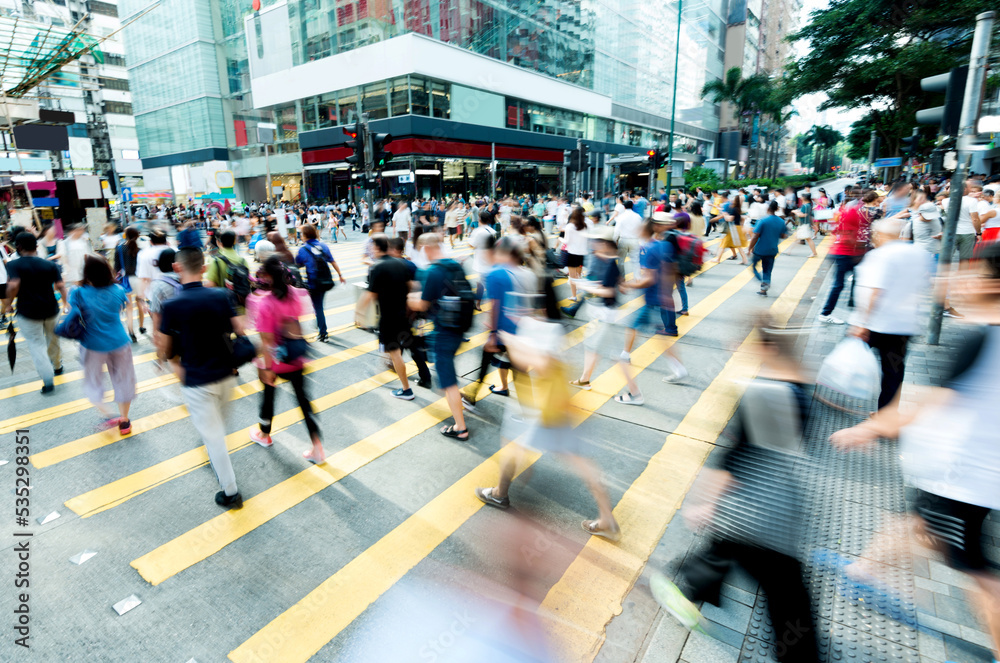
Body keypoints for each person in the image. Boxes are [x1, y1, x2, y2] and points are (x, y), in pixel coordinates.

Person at [830, 242, 1000, 663]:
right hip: (971, 475)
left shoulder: (981, 339)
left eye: (971, 273)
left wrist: (871, 427)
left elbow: (932, 405)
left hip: (964, 478)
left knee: (976, 572)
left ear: (992, 284)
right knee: (917, 522)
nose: (959, 280)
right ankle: (864, 570)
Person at [651, 315, 819, 663]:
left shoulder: (765, 391)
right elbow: (747, 455)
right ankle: (689, 588)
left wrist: (704, 502)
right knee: (779, 587)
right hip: (767, 512)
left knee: (776, 584)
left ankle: (688, 587)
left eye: (744, 343)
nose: (735, 348)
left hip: (757, 513)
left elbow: (736, 458)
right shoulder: (793, 383)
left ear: (765, 347)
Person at [157, 247, 248, 508]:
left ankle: (230, 492)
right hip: (226, 375)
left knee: (214, 437)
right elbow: (239, 329)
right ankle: (214, 453)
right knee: (217, 429)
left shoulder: (171, 306)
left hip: (197, 380)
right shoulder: (221, 295)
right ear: (204, 267)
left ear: (177, 267)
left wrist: (168, 361)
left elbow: (166, 349)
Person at [848, 217, 931, 410]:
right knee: (894, 372)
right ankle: (886, 413)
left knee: (851, 360)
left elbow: (875, 291)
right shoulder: (919, 253)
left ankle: (844, 392)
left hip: (875, 324)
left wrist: (862, 323)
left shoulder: (880, 255)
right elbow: (926, 283)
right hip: (904, 326)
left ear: (879, 235)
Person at [248, 256, 326, 463]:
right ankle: (317, 447)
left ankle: (264, 434)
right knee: (303, 401)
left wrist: (266, 368)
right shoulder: (295, 294)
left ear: (268, 277)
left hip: (275, 362)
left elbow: (267, 341)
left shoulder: (265, 303)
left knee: (268, 398)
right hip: (296, 357)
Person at [408, 233, 471, 440]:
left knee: (448, 382)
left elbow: (422, 304)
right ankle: (457, 400)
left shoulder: (433, 271)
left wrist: (408, 298)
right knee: (446, 378)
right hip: (459, 328)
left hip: (444, 333)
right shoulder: (454, 265)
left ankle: (460, 428)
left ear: (426, 248)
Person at [71, 255, 136, 435]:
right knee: (124, 380)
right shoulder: (119, 290)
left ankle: (108, 414)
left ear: (86, 272)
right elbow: (124, 307)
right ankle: (124, 421)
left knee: (93, 382)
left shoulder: (78, 292)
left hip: (92, 344)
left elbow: (73, 315)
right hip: (119, 342)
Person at [356, 234, 424, 400]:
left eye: (372, 246)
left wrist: (359, 313)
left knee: (395, 354)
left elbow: (370, 295)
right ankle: (418, 379)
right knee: (402, 350)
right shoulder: (400, 263)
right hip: (403, 315)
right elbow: (412, 286)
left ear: (377, 247)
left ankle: (406, 389)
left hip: (388, 318)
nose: (370, 249)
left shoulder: (377, 267)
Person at [4, 232, 67, 393]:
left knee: (36, 344)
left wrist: (8, 304)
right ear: (36, 246)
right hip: (51, 309)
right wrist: (66, 303)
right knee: (53, 339)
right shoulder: (49, 265)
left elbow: (13, 285)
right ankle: (57, 366)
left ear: (18, 247)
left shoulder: (13, 265)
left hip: (28, 312)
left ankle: (48, 380)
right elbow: (61, 285)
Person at [817, 189, 868, 322]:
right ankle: (825, 313)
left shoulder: (843, 212)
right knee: (840, 284)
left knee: (846, 283)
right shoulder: (853, 213)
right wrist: (859, 251)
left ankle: (828, 313)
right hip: (845, 254)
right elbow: (849, 236)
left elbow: (836, 230)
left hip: (840, 252)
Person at [296, 224, 345, 342]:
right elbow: (332, 261)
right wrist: (340, 275)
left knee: (318, 307)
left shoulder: (303, 249)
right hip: (325, 281)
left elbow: (298, 264)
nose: (300, 236)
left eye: (302, 234)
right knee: (319, 306)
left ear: (306, 235)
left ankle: (323, 333)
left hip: (314, 283)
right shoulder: (323, 246)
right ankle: (319, 323)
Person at [144, 248, 182, 373]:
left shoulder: (158, 284)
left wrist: (155, 333)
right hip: (188, 325)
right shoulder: (184, 278)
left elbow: (156, 313)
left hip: (170, 329)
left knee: (174, 361)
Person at [204, 229, 250, 315]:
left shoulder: (215, 261)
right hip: (240, 308)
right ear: (234, 242)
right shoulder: (243, 261)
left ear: (219, 242)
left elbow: (210, 285)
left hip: (223, 308)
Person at [748, 201, 786, 296]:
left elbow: (755, 236)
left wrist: (750, 248)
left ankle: (764, 282)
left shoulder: (763, 220)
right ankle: (763, 289)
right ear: (777, 209)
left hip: (760, 249)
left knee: (753, 266)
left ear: (768, 209)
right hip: (772, 250)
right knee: (767, 269)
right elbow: (783, 235)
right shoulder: (781, 221)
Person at [114, 226, 142, 343]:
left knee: (129, 308)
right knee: (140, 303)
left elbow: (116, 268)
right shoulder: (140, 249)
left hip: (126, 281)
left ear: (125, 235)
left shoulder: (119, 248)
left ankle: (131, 332)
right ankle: (141, 326)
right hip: (139, 279)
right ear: (137, 236)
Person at [563, 207, 590, 302]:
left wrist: (560, 239)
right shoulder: (585, 226)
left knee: (572, 276)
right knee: (578, 275)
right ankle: (579, 290)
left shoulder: (570, 226)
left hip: (572, 253)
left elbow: (566, 241)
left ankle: (574, 296)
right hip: (582, 253)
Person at [612, 199, 643, 279]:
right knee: (635, 261)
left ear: (624, 207)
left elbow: (617, 231)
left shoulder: (621, 217)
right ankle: (637, 279)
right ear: (632, 206)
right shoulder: (638, 217)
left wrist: (614, 241)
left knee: (621, 261)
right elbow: (641, 230)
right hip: (634, 240)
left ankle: (622, 278)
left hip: (623, 240)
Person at [716, 193, 748, 264]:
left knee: (724, 243)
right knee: (737, 245)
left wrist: (725, 215)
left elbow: (730, 219)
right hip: (737, 228)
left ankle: (718, 259)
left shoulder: (734, 209)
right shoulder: (738, 209)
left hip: (733, 229)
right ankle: (744, 260)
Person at [58, 222, 93, 287]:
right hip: (72, 268)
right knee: (76, 285)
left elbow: (88, 253)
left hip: (84, 266)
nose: (81, 232)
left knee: (86, 283)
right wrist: (66, 266)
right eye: (79, 230)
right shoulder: (65, 242)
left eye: (82, 230)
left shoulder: (83, 241)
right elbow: (63, 256)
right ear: (74, 231)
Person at [792, 192, 819, 258]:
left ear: (804, 198)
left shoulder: (806, 206)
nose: (800, 197)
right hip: (804, 224)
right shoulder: (807, 205)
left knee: (808, 239)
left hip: (804, 224)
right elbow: (808, 215)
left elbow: (804, 215)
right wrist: (813, 225)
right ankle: (789, 251)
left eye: (801, 196)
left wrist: (796, 212)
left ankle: (814, 253)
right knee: (798, 237)